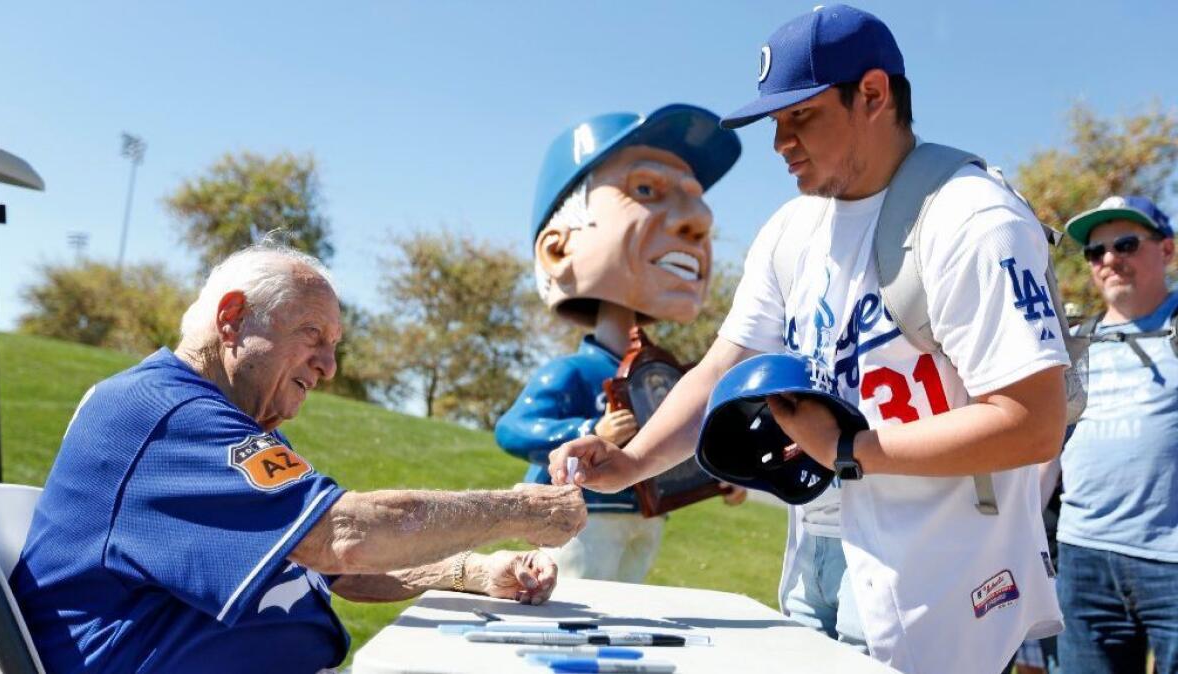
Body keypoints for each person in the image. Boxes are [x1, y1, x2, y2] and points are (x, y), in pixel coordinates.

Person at [549, 5, 1068, 673]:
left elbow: (1032, 424)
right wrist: (631, 463)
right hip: (816, 558)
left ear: (874, 94)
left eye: (802, 117)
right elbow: (723, 368)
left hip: (936, 578)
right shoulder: (792, 229)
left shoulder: (973, 220)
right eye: (775, 121)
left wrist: (849, 448)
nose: (780, 142)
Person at [10, 244, 587, 674]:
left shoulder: (226, 424)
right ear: (231, 318)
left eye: (335, 345)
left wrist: (470, 572)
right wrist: (518, 509)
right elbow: (346, 537)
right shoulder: (165, 414)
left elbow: (335, 568)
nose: (329, 366)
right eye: (313, 334)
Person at [494, 105, 746, 583]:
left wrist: (719, 474)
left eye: (696, 200)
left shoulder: (667, 381)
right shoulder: (571, 373)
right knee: (576, 613)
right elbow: (514, 429)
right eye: (646, 190)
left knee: (625, 620)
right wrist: (593, 428)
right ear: (558, 247)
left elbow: (677, 437)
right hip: (581, 517)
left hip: (646, 517)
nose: (700, 219)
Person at [1054, 195, 1178, 674]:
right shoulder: (1077, 340)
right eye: (1095, 251)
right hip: (1083, 557)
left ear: (1166, 250)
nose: (1109, 259)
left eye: (1126, 244)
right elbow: (1051, 447)